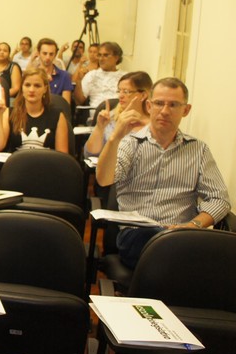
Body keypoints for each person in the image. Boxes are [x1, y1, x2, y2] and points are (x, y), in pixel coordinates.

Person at [96, 77, 230, 268]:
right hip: (138, 234)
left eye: (173, 105)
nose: (165, 111)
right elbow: (103, 179)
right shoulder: (130, 143)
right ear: (149, 106)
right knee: (159, 244)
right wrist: (115, 137)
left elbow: (219, 199)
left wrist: (194, 225)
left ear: (186, 110)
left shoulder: (198, 150)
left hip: (182, 235)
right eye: (159, 103)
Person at [0, 68, 69, 153]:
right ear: (22, 88)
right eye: (27, 85)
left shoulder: (57, 116)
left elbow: (62, 157)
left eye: (37, 86)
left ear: (45, 89)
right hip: (17, 165)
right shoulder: (9, 113)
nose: (31, 90)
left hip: (46, 165)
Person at [85, 71, 152, 157]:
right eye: (119, 91)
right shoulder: (113, 117)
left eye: (126, 91)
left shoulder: (154, 124)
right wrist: (99, 128)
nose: (120, 95)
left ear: (143, 95)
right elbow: (90, 154)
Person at [75, 41, 125, 111]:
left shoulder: (125, 77)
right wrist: (79, 80)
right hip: (97, 116)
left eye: (106, 55)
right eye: (99, 55)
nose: (101, 59)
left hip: (119, 116)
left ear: (116, 57)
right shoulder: (92, 75)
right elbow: (79, 101)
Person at [34, 38, 72, 104]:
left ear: (55, 54)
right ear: (38, 53)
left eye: (51, 54)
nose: (48, 57)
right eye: (44, 53)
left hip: (57, 111)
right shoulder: (32, 75)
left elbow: (66, 104)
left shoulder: (64, 76)